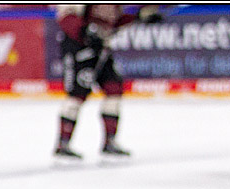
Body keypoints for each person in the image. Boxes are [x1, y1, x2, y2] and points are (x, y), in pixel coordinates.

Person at [53, 4, 164, 160]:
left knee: (114, 89)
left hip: (102, 49)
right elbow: (66, 17)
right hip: (79, 50)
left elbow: (113, 23)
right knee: (77, 94)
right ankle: (63, 144)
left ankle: (109, 142)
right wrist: (84, 32)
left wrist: (139, 17)